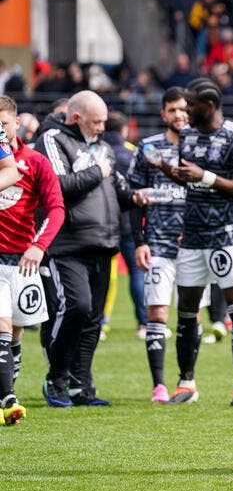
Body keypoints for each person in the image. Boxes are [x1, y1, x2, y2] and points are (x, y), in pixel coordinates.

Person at [35, 90, 147, 407]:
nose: (102, 128)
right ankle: (56, 380)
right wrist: (98, 171)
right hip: (67, 242)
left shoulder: (100, 146)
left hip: (103, 242)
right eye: (96, 122)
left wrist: (137, 196)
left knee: (92, 321)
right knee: (77, 308)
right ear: (76, 118)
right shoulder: (53, 140)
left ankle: (81, 386)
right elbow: (57, 186)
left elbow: (117, 187)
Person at [165, 78, 233, 407]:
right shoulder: (187, 135)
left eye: (189, 105)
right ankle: (186, 383)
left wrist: (205, 177)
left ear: (208, 106)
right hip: (192, 234)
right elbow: (191, 178)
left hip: (228, 234)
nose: (184, 112)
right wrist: (173, 174)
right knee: (187, 311)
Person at [127, 87, 202, 402]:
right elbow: (134, 198)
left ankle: (188, 382)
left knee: (191, 314)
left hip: (196, 246)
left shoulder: (203, 147)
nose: (179, 115)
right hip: (157, 243)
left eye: (184, 109)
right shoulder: (147, 148)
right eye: (173, 110)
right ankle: (158, 386)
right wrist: (139, 241)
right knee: (156, 313)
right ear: (163, 114)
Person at [0, 95, 64, 425]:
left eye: (3, 123)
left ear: (16, 123)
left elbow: (56, 209)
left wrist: (39, 246)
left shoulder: (36, 161)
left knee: (16, 334)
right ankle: (6, 397)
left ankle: (7, 390)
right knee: (2, 324)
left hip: (23, 260)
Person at [104, 112, 147, 339]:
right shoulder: (133, 152)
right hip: (130, 221)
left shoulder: (98, 151)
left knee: (104, 274)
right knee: (137, 273)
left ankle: (101, 323)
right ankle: (143, 323)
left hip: (104, 221)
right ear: (124, 131)